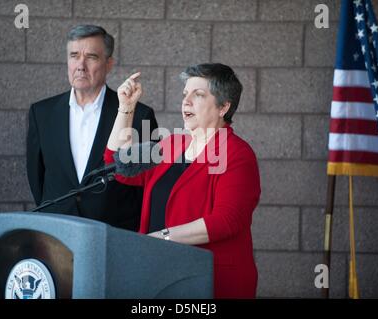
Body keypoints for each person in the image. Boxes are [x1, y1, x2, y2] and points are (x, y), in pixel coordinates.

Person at [104, 63, 261, 298]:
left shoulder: (238, 154)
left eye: (198, 95)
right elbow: (119, 166)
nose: (186, 101)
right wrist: (125, 108)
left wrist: (160, 238)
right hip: (160, 274)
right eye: (185, 94)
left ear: (223, 107)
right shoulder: (171, 144)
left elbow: (226, 220)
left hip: (211, 281)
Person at [27, 25, 158, 231]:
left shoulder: (140, 115)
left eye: (91, 57)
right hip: (56, 231)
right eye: (74, 55)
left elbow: (148, 186)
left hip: (114, 234)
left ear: (109, 64)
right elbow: (37, 177)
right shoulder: (41, 113)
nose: (80, 65)